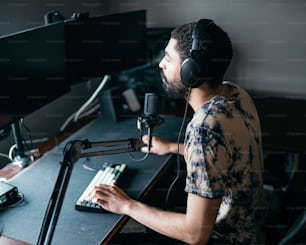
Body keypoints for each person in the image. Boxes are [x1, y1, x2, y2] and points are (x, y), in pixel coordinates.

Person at [89, 19, 267, 244]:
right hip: (253, 229)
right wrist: (173, 147)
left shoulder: (205, 128)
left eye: (168, 58)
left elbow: (195, 234)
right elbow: (225, 153)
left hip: (225, 239)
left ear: (190, 71)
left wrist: (126, 205)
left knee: (118, 234)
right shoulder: (236, 93)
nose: (161, 64)